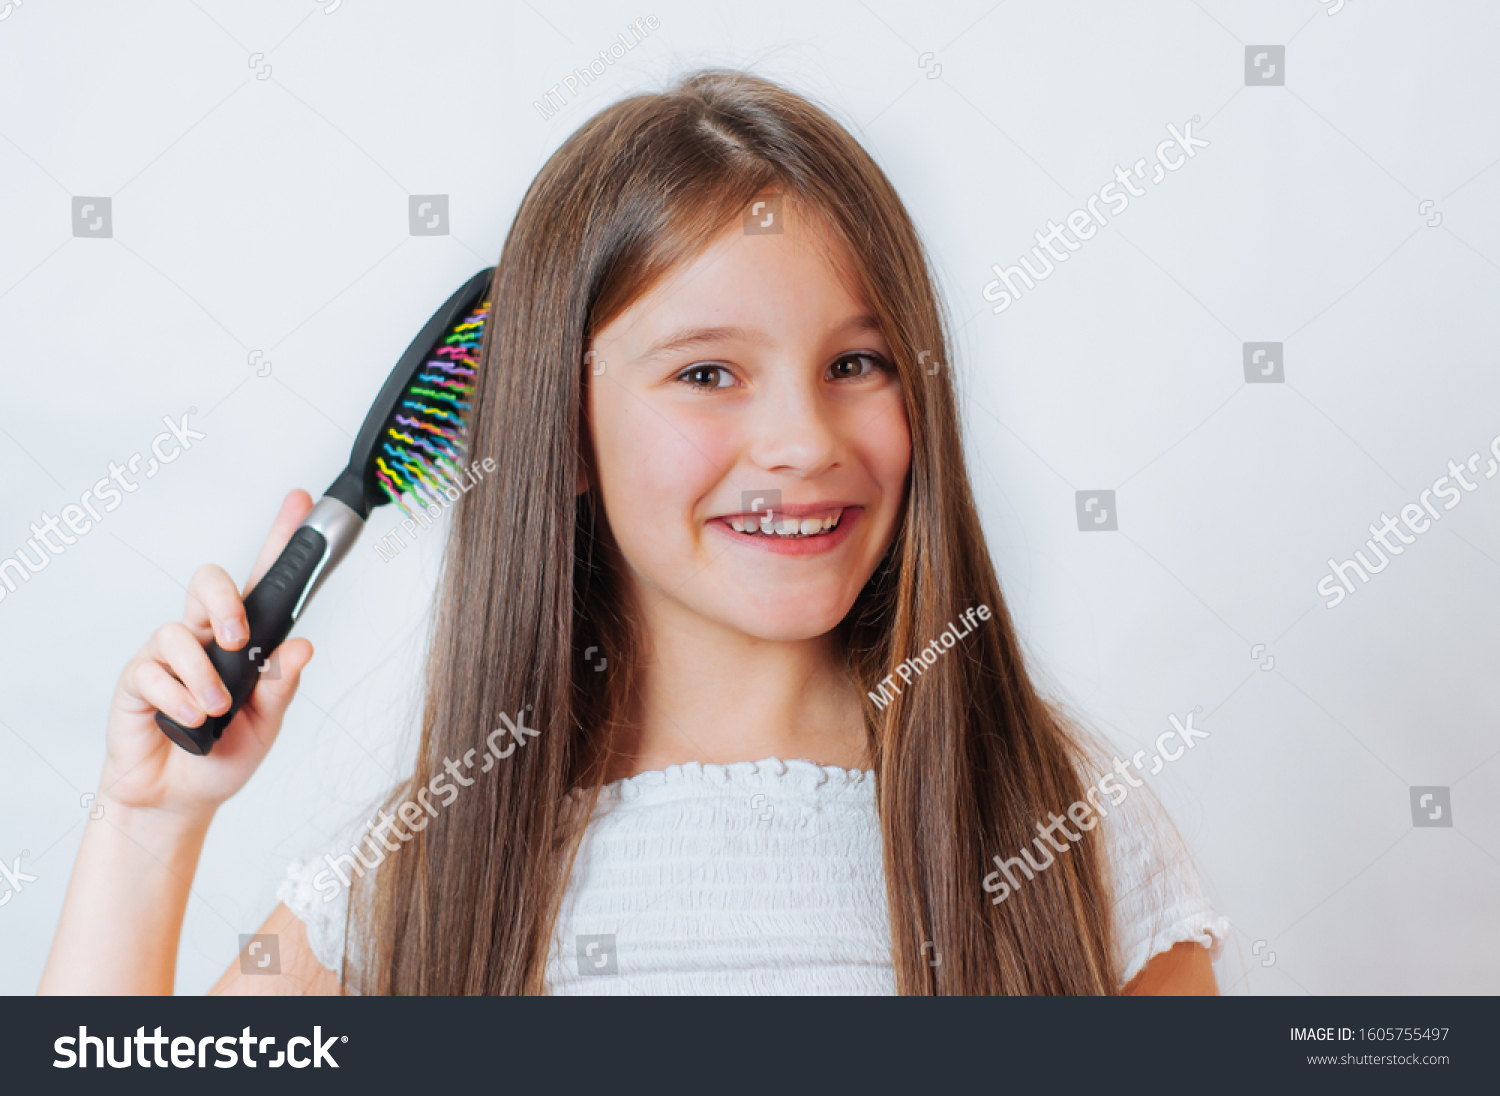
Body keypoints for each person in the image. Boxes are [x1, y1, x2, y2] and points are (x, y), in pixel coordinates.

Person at [41, 68, 1226, 996]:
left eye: (855, 363)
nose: (803, 439)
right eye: (709, 372)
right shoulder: (425, 873)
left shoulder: (1063, 831)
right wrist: (148, 827)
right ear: (560, 434)